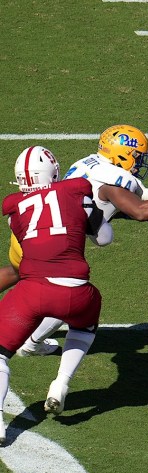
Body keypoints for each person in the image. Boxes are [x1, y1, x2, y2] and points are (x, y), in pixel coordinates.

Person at [12, 126, 148, 414]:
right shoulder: (118, 180)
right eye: (137, 156)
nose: (140, 162)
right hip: (54, 243)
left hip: (33, 229)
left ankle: (33, 341)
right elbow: (141, 208)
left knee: (44, 284)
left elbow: (142, 198)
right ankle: (33, 344)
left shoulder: (89, 163)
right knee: (68, 286)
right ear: (123, 154)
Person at [1, 147, 106, 444]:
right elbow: (103, 238)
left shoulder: (14, 209)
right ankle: (61, 383)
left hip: (34, 291)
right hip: (78, 291)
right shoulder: (76, 192)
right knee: (84, 326)